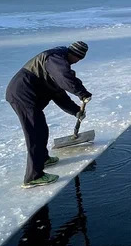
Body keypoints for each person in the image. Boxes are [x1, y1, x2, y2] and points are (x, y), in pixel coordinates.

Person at [5, 41, 92, 187]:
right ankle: (33, 176)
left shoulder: (56, 63)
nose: (77, 62)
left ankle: (43, 158)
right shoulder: (56, 59)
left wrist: (75, 110)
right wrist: (81, 92)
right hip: (22, 94)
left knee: (42, 129)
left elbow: (58, 93)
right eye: (78, 59)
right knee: (35, 134)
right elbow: (65, 78)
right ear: (75, 55)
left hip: (27, 95)